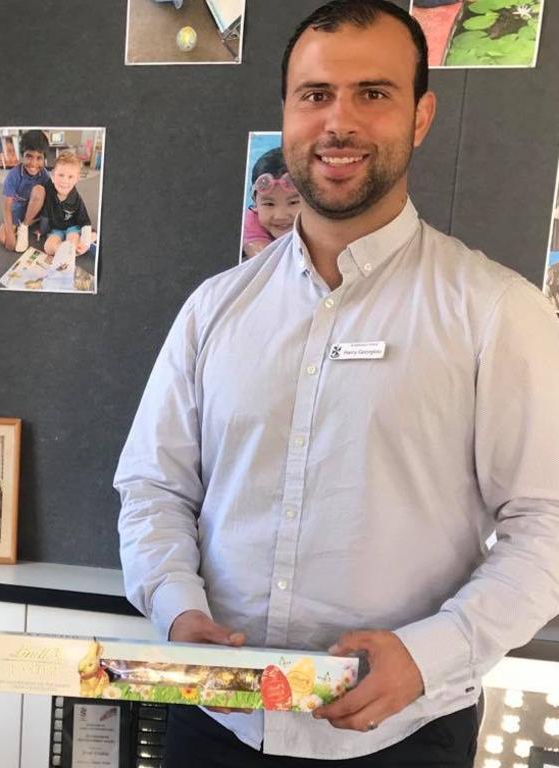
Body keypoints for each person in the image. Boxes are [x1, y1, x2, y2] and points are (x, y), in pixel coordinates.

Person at [113, 2, 559, 766]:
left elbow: (547, 526)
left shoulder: (496, 312)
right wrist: (178, 611)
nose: (338, 122)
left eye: (373, 94)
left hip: (404, 735)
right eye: (315, 95)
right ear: (287, 112)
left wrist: (431, 653)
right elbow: (154, 488)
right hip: (216, 722)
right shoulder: (214, 310)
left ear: (421, 115)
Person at [41, 151, 95, 289]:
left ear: (77, 179)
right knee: (48, 247)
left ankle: (85, 241)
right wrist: (41, 230)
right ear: (53, 175)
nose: (65, 180)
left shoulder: (76, 199)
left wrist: (85, 239)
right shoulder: (49, 188)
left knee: (75, 243)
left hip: (73, 227)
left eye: (71, 177)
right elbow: (45, 211)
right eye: (61, 175)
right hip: (56, 228)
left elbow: (85, 220)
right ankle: (64, 250)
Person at [242, 147, 302, 260]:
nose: (280, 216)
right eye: (269, 204)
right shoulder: (252, 220)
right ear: (255, 202)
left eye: (293, 202)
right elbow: (265, 262)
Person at [0, 130, 51, 253]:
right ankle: (22, 224)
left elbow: (51, 198)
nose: (33, 163)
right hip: (17, 209)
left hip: (35, 208)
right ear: (22, 156)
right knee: (1, 238)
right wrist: (10, 234)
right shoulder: (13, 175)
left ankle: (25, 226)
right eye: (29, 156)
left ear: (44, 159)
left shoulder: (44, 174)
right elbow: (7, 206)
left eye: (39, 158)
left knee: (39, 190)